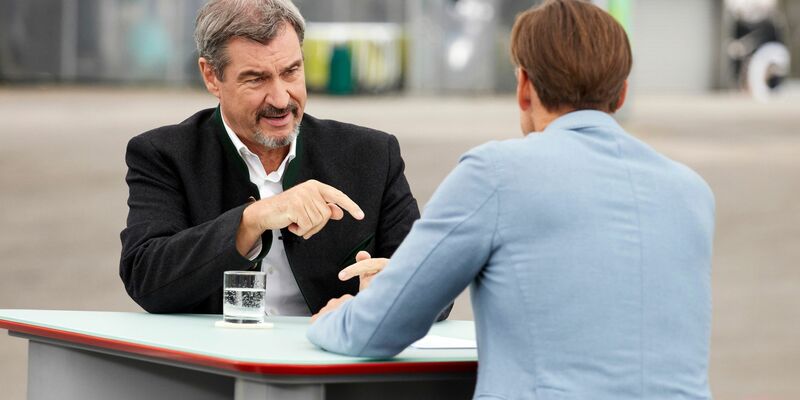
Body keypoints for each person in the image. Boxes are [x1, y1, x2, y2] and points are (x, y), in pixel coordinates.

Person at [307, 1, 716, 399]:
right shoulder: (691, 191)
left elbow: (381, 328)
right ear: (622, 94)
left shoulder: (496, 174)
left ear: (524, 88)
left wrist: (332, 319)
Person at [119, 0, 452, 319]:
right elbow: (146, 278)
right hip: (214, 368)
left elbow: (436, 286)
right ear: (211, 77)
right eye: (256, 79)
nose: (281, 99)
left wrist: (389, 297)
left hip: (333, 364)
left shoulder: (372, 154)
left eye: (291, 71)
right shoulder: (163, 154)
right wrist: (252, 220)